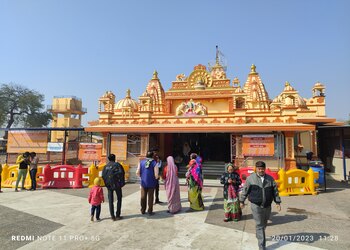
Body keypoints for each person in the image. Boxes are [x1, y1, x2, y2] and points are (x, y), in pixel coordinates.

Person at [240, 161, 281, 250]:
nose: (261, 170)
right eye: (259, 169)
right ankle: (262, 246)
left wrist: (277, 202)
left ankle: (259, 234)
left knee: (264, 223)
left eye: (262, 169)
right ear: (256, 169)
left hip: (267, 205)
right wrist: (242, 201)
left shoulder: (270, 179)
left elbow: (275, 191)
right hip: (256, 205)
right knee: (260, 225)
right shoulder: (250, 179)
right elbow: (245, 190)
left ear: (264, 169)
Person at [102, 154, 125, 221]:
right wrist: (122, 183)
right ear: (115, 158)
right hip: (117, 184)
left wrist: (106, 184)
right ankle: (118, 215)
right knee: (119, 199)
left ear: (108, 159)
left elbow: (103, 175)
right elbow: (122, 173)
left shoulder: (105, 166)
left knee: (110, 201)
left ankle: (112, 216)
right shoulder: (117, 165)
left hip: (109, 185)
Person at [136, 151, 159, 216]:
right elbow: (156, 175)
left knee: (143, 197)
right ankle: (150, 211)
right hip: (151, 183)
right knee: (150, 197)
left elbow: (137, 172)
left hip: (143, 183)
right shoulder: (154, 163)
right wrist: (155, 178)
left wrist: (142, 176)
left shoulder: (141, 162)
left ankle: (143, 210)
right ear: (152, 156)